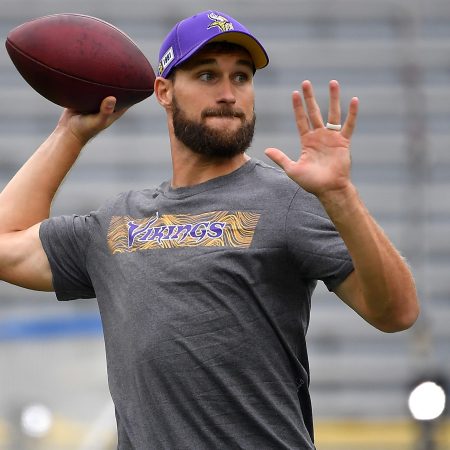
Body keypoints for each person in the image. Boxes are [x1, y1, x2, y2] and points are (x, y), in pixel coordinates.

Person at [0, 10, 418, 450]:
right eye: (206, 75)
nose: (228, 93)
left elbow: (397, 313)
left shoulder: (287, 202)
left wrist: (341, 196)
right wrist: (71, 132)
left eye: (241, 77)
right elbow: (6, 246)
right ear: (163, 91)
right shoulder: (117, 222)